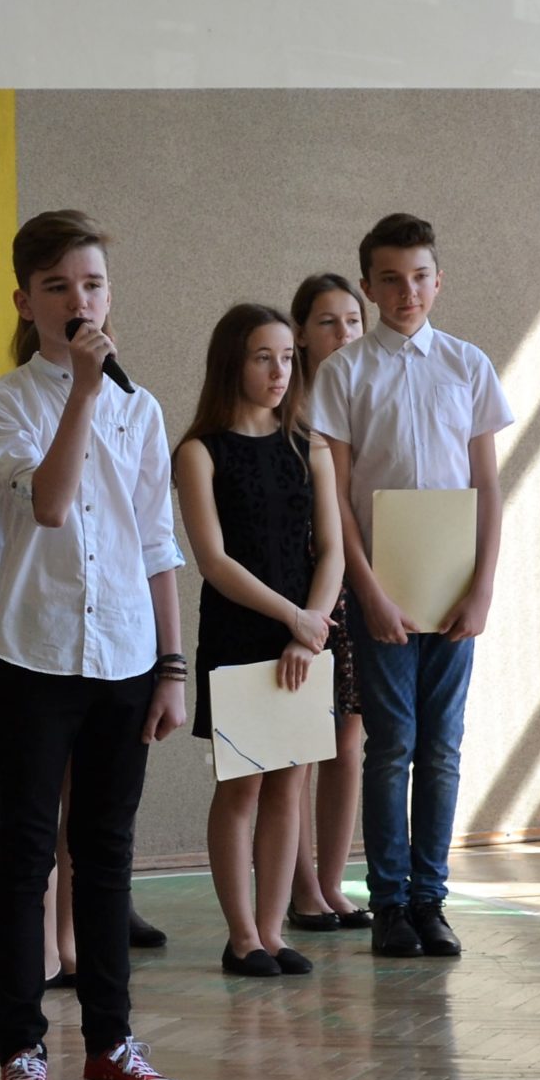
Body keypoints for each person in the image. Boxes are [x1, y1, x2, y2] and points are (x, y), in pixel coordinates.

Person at [0, 210, 187, 1080]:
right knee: (26, 854)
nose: (79, 299)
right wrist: (85, 395)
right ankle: (22, 1050)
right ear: (27, 301)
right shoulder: (5, 402)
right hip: (34, 654)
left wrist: (172, 666)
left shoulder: (145, 407)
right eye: (58, 285)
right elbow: (53, 506)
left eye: (92, 283)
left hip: (127, 654)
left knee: (106, 854)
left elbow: (157, 541)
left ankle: (111, 1045)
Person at [308, 214, 511, 959]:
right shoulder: (344, 373)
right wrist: (365, 590)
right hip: (383, 589)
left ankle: (431, 900)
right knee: (391, 746)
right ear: (368, 286)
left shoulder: (467, 364)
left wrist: (482, 586)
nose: (407, 292)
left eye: (420, 276)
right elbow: (337, 496)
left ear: (438, 280)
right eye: (390, 279)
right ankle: (390, 902)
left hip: (453, 588)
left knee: (443, 748)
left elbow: (487, 486)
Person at [175, 303, 341, 977]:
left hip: (305, 637)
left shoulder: (310, 445)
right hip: (239, 632)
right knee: (242, 787)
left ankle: (273, 932)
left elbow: (331, 550)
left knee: (289, 786)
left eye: (287, 358)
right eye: (262, 358)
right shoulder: (199, 451)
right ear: (232, 363)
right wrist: (292, 618)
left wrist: (311, 627)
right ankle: (241, 936)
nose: (279, 372)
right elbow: (214, 561)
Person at [285, 273, 372, 932]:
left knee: (349, 738)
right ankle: (300, 887)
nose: (343, 334)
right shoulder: (285, 407)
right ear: (300, 335)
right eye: (327, 322)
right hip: (300, 586)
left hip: (361, 580)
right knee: (297, 743)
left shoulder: (370, 395)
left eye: (352, 320)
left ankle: (333, 882)